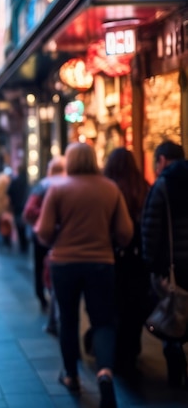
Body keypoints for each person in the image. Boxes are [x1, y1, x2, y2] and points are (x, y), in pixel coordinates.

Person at [35, 142, 133, 408]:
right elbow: (125, 233)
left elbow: (43, 233)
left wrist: (59, 238)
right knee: (103, 321)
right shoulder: (110, 188)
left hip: (64, 264)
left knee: (68, 320)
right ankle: (105, 374)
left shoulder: (58, 188)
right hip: (101, 263)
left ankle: (72, 376)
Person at [142, 140, 188, 388]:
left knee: (172, 312)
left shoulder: (162, 185)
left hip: (172, 266)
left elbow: (150, 228)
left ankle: (174, 359)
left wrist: (151, 264)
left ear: (161, 160)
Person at [103, 147, 150, 377]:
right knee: (134, 307)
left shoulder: (108, 189)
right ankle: (132, 350)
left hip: (112, 256)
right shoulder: (143, 187)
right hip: (138, 258)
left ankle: (117, 354)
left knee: (114, 307)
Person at [23, 156, 65, 324]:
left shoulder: (42, 186)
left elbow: (28, 212)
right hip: (61, 236)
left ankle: (42, 295)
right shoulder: (66, 184)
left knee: (40, 266)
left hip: (41, 234)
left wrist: (43, 218)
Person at [7, 164, 30, 253]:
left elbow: (9, 192)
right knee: (25, 225)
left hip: (17, 207)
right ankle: (25, 244)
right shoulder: (28, 182)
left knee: (19, 226)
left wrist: (12, 202)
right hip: (26, 205)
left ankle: (22, 245)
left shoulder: (15, 181)